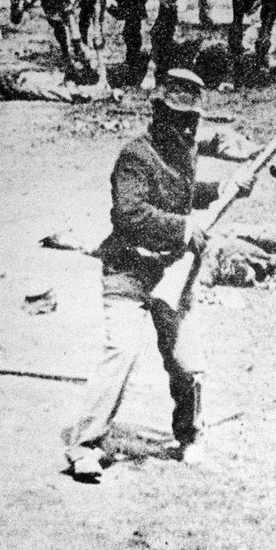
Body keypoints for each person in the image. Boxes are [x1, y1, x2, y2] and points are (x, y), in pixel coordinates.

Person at [62, 69, 258, 481]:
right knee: (123, 353)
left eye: (191, 118)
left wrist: (228, 187)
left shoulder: (184, 150)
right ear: (158, 113)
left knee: (186, 362)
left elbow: (182, 192)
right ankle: (84, 445)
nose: (185, 126)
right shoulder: (135, 155)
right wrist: (184, 228)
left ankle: (189, 434)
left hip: (171, 272)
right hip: (128, 272)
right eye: (176, 116)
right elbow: (130, 214)